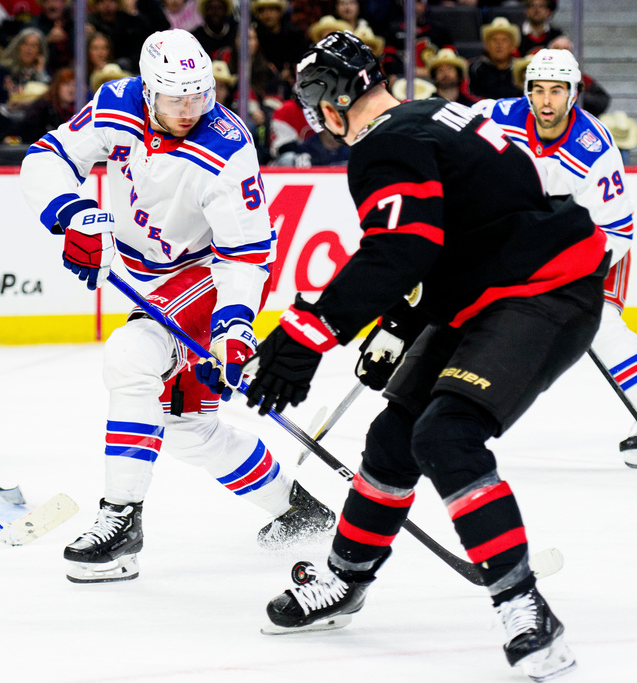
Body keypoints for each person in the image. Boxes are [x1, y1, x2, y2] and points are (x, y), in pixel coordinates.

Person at [245, 33, 610, 681]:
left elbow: (402, 250)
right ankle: (345, 578)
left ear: (330, 104)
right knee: (393, 437)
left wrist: (306, 332)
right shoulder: (427, 114)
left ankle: (524, 606)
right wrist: (400, 324)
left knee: (447, 435)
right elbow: (458, 232)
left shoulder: (385, 143)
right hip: (493, 287)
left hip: (543, 291)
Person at [20, 29, 335, 584]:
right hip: (145, 278)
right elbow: (47, 157)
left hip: (203, 275)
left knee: (129, 359)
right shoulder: (116, 104)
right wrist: (72, 215)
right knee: (187, 425)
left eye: (199, 94)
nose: (189, 108)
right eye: (175, 97)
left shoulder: (227, 145)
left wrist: (234, 328)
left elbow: (246, 255)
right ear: (147, 90)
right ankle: (298, 510)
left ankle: (120, 522)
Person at [474, 49, 637, 468]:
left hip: (592, 242)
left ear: (573, 94)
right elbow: (443, 133)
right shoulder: (494, 116)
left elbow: (617, 231)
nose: (546, 101)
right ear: (526, 91)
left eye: (557, 90)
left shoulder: (594, 146)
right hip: (525, 238)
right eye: (538, 90)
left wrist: (561, 272)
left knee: (599, 322)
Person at [468, 17, 522, 100]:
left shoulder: (520, 69)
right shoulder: (475, 68)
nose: (499, 44)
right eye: (494, 40)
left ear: (512, 46)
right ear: (487, 46)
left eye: (504, 40)